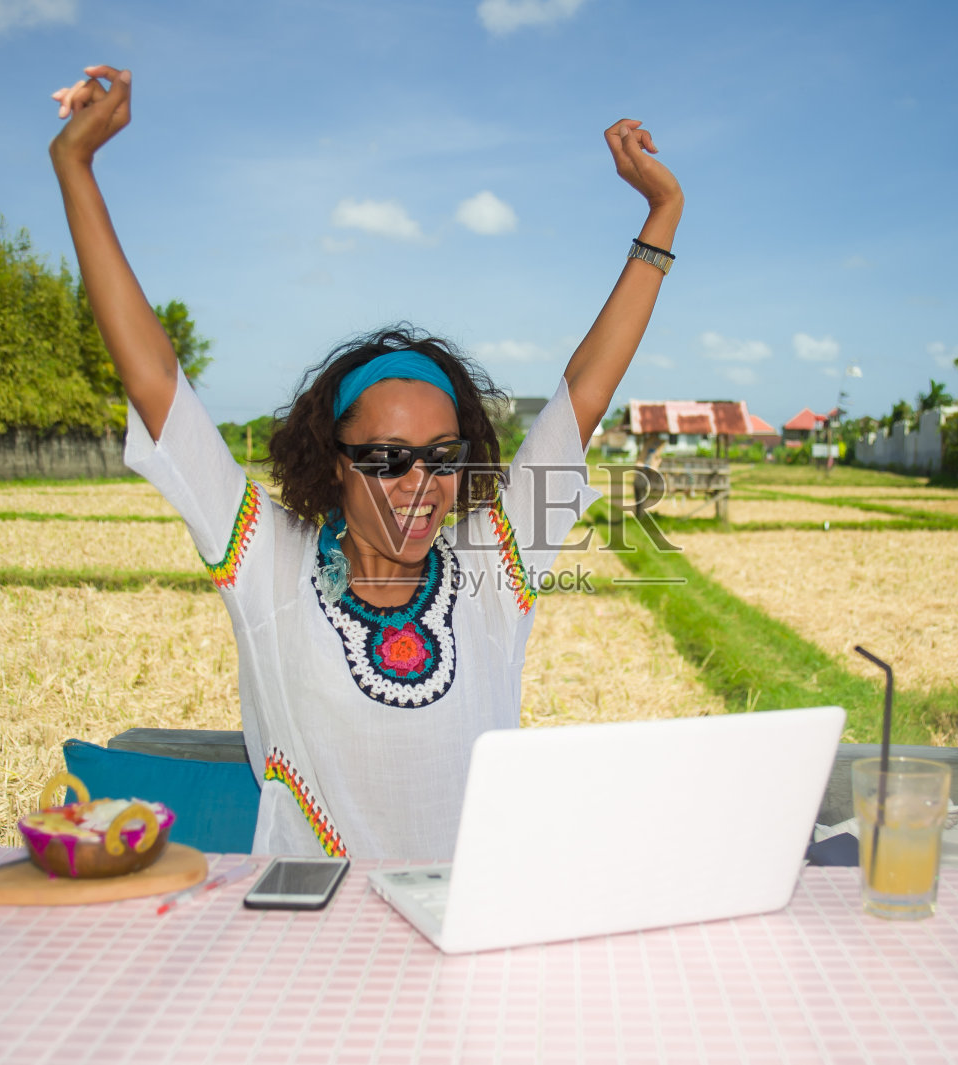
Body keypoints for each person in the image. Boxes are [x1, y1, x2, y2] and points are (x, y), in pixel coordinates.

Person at [49, 65, 683, 859]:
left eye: (442, 457)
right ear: (335, 463)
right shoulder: (267, 563)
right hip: (311, 925)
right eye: (387, 458)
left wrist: (662, 214)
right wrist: (76, 167)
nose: (421, 484)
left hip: (470, 918)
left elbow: (583, 392)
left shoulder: (495, 564)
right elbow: (156, 385)